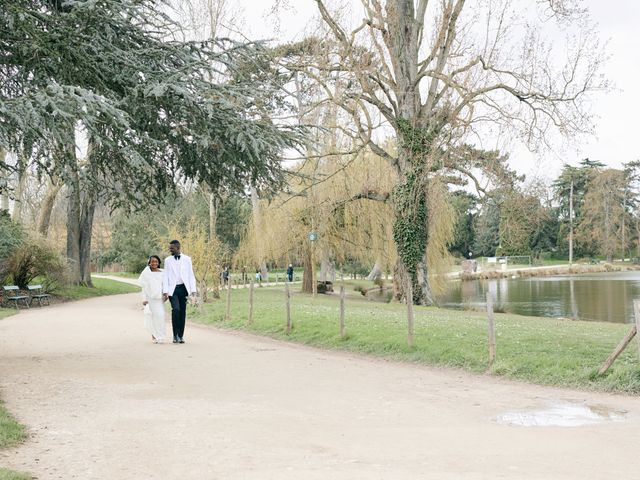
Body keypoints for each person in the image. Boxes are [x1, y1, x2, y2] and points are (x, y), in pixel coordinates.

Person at [162, 240, 197, 344]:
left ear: (178, 247)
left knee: (182, 312)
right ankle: (175, 334)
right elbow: (166, 276)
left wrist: (193, 290)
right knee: (176, 309)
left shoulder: (187, 259)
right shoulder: (168, 260)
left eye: (171, 248)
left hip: (184, 289)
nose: (170, 249)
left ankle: (181, 336)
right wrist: (165, 291)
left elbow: (191, 275)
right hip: (173, 290)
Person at [138, 255, 166, 343]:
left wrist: (166, 294)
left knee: (160, 316)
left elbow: (165, 284)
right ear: (149, 263)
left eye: (156, 261)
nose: (154, 263)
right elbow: (143, 287)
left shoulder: (163, 272)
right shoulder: (146, 272)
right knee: (151, 317)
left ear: (158, 263)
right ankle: (154, 335)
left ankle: (160, 336)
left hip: (159, 298)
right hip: (149, 299)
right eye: (152, 261)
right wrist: (144, 299)